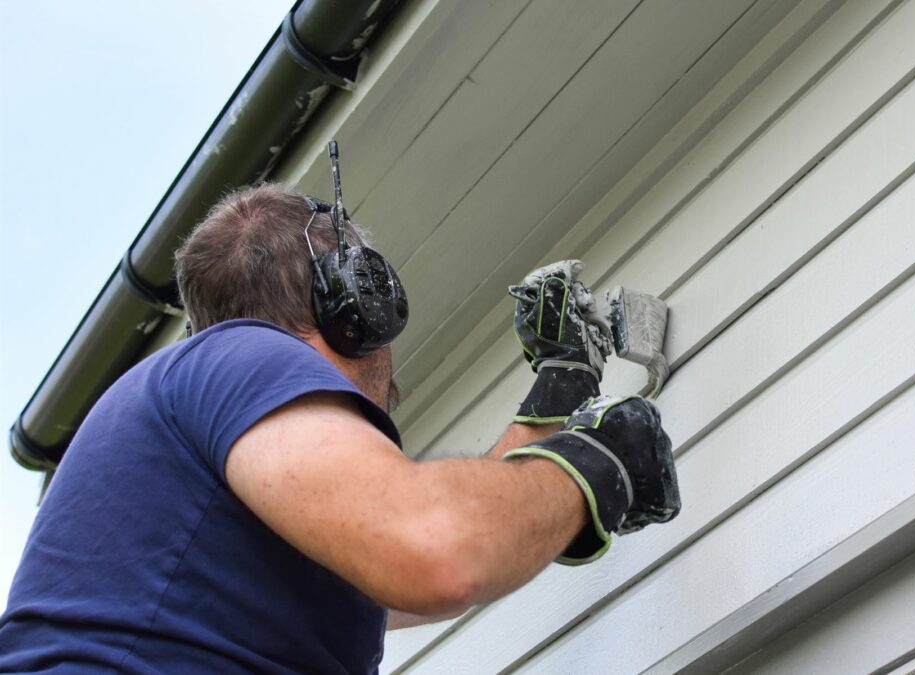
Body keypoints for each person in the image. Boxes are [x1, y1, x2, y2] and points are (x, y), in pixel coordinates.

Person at [0, 183, 680, 673]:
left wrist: (562, 387)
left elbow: (429, 550)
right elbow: (440, 546)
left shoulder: (232, 452)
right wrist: (593, 469)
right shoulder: (243, 359)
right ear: (359, 304)